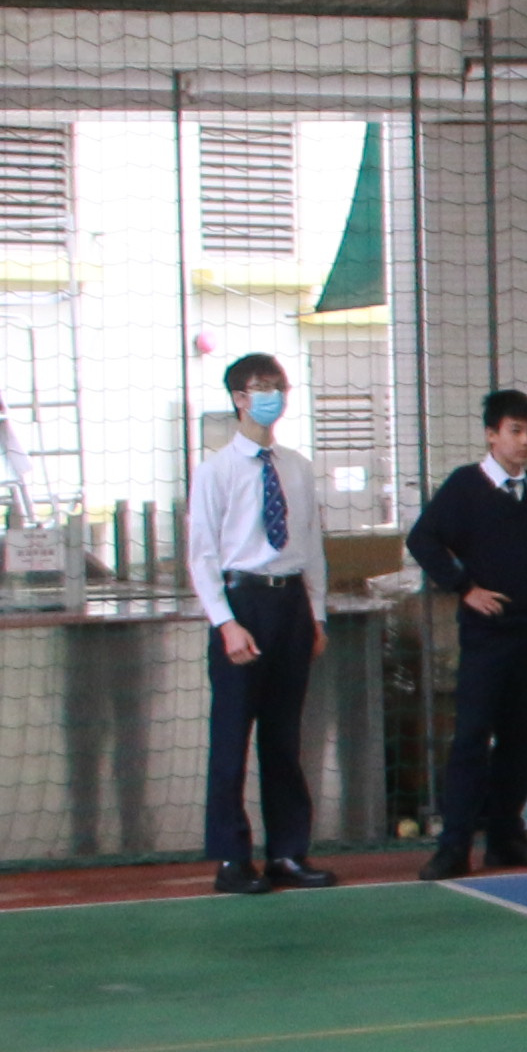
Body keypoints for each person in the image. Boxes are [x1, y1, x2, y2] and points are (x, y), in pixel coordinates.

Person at [188, 353, 335, 894]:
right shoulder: (216, 470)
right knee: (231, 738)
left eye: (280, 385)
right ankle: (231, 858)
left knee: (284, 738)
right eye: (261, 387)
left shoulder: (296, 466)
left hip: (289, 601)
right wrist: (226, 623)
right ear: (239, 398)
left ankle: (288, 853)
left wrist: (315, 614)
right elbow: (202, 555)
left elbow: (311, 544)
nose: (273, 395)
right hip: (242, 602)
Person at [406, 390, 527, 879]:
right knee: (473, 738)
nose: (525, 441)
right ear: (492, 434)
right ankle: (455, 845)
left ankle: (507, 837)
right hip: (487, 635)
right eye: (515, 431)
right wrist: (464, 588)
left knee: (522, 736)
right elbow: (422, 539)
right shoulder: (465, 486)